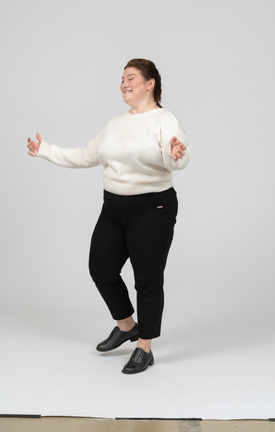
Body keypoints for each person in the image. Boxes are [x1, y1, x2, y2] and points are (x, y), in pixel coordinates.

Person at [27, 58, 191, 374]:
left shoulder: (164, 120)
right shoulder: (115, 123)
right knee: (100, 268)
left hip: (152, 209)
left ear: (150, 83)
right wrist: (46, 149)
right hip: (114, 208)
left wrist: (176, 155)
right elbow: (88, 155)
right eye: (121, 79)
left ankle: (145, 346)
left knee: (147, 280)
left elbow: (178, 154)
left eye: (131, 78)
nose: (124, 84)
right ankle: (127, 325)